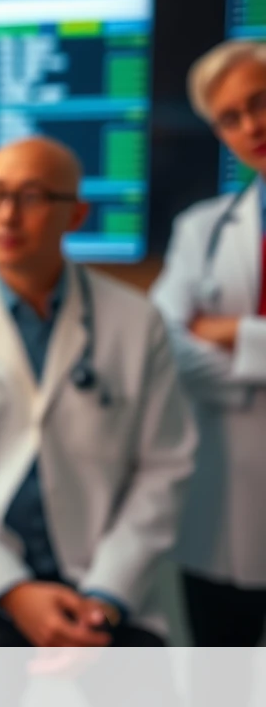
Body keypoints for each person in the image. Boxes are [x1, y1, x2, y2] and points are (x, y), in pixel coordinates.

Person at [0, 138, 195, 701]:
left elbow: (164, 471)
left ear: (75, 214)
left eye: (31, 196)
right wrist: (14, 591)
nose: (7, 214)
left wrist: (105, 594)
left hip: (105, 583)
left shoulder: (137, 323)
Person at [149, 41, 266, 702]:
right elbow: (167, 345)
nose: (251, 126)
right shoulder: (203, 228)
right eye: (231, 117)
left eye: (260, 103)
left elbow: (197, 344)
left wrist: (232, 335)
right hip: (223, 509)